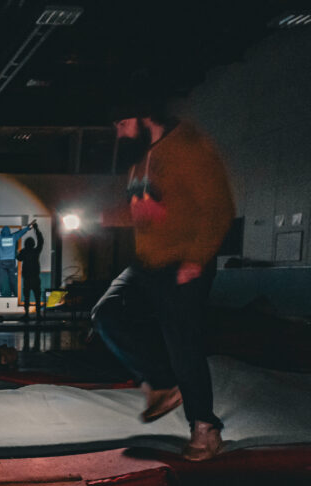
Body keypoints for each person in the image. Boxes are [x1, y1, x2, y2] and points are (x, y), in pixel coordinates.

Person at [91, 109, 234, 461]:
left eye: (123, 124)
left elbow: (219, 207)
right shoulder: (140, 161)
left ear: (145, 117)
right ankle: (161, 383)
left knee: (182, 343)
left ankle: (205, 428)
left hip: (185, 261)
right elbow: (142, 212)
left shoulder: (188, 146)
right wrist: (105, 217)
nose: (120, 134)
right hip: (148, 263)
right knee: (107, 312)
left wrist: (196, 259)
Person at [15, 221, 43, 322]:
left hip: (27, 278)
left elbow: (18, 258)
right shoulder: (36, 251)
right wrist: (36, 229)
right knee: (37, 297)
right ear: (33, 244)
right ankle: (38, 315)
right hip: (35, 278)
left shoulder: (24, 251)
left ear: (26, 244)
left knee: (26, 298)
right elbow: (41, 241)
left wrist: (16, 249)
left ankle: (27, 314)